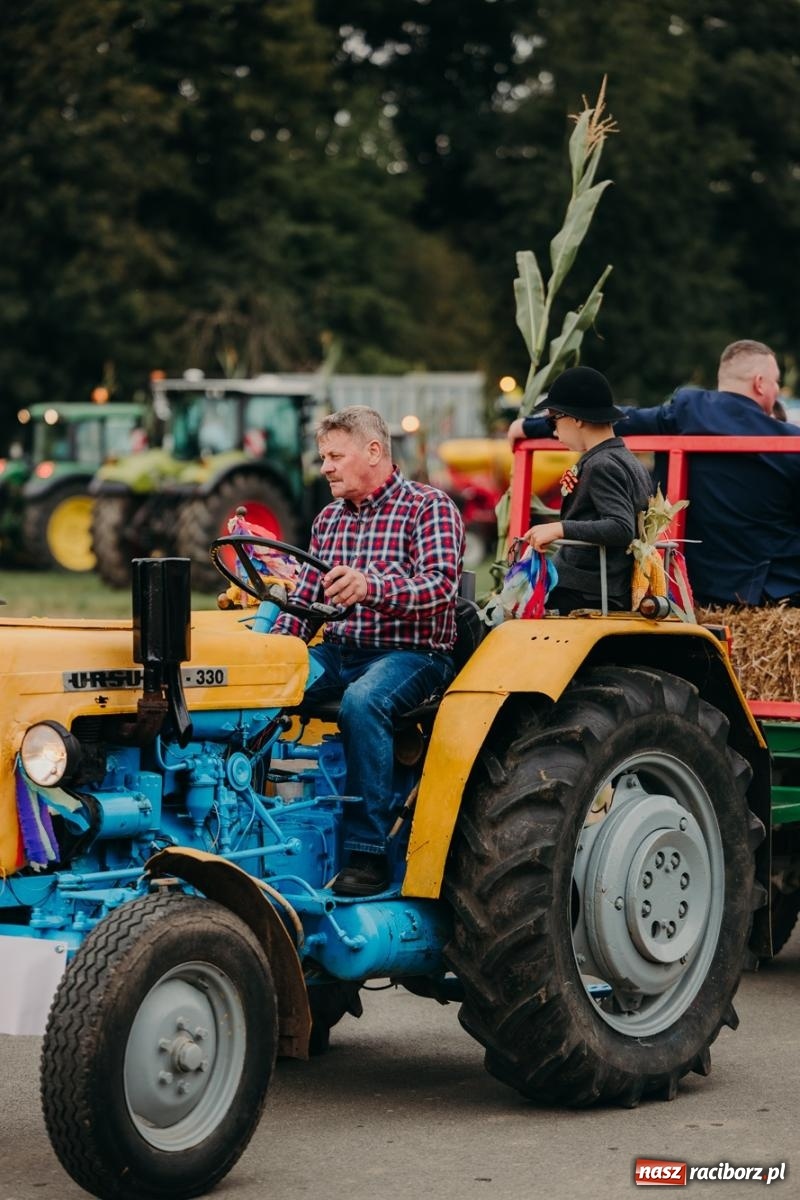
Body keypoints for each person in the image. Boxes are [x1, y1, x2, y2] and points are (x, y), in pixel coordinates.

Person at [272, 406, 465, 896]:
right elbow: (306, 600)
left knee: (364, 702)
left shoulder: (429, 507)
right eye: (323, 458)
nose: (326, 468)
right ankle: (264, 827)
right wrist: (271, 656)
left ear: (374, 451)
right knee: (260, 692)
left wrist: (369, 587)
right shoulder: (329, 519)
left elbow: (439, 588)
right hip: (341, 650)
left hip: (413, 653)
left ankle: (367, 853)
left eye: (335, 456)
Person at [511, 341, 800, 606]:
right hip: (767, 588)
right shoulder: (790, 444)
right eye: (775, 383)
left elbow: (623, 419)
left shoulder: (688, 411)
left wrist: (529, 426)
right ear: (760, 384)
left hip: (685, 580)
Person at [518, 367, 652, 613]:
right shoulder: (629, 460)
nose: (554, 432)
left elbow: (621, 527)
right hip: (604, 584)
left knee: (512, 613)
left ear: (576, 418)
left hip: (587, 589)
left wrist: (559, 528)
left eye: (553, 421)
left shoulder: (601, 465)